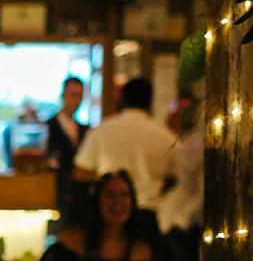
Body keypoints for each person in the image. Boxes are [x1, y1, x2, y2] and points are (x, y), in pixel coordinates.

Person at [40, 170, 157, 261]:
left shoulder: (143, 251)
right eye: (110, 195)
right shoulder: (70, 244)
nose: (118, 202)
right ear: (96, 201)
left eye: (124, 195)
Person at [73, 77, 176, 219]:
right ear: (150, 101)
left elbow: (81, 172)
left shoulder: (102, 130)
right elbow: (178, 175)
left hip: (110, 213)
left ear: (123, 99)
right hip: (151, 214)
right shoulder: (165, 136)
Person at [156, 99, 204, 261]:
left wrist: (183, 219)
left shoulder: (198, 143)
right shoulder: (183, 141)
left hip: (184, 220)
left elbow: (202, 190)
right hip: (171, 217)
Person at [46, 77, 89, 222]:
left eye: (79, 96)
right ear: (63, 95)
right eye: (72, 95)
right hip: (55, 193)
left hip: (79, 197)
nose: (76, 101)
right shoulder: (48, 127)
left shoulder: (84, 129)